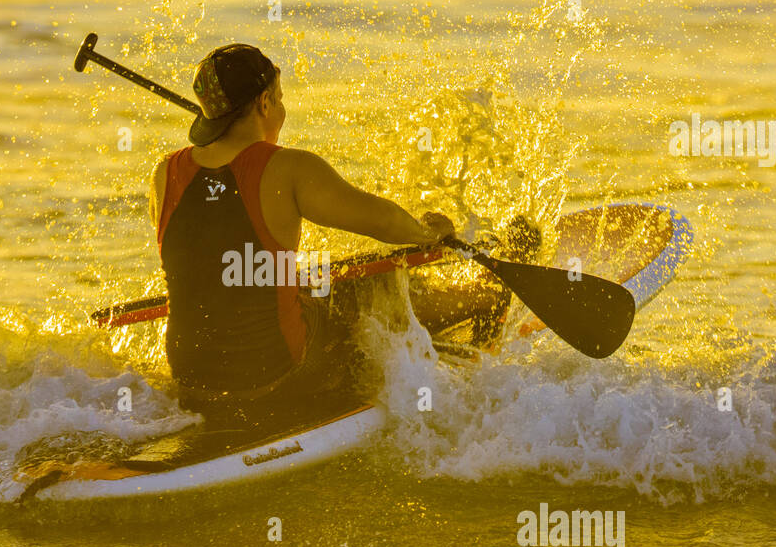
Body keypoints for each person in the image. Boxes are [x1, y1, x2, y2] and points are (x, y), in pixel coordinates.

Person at [149, 43, 527, 414]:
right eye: (278, 99)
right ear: (264, 104)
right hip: (275, 377)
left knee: (316, 290)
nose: (282, 109)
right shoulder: (288, 169)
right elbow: (383, 222)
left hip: (190, 381)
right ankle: (485, 297)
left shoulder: (164, 174)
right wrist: (429, 232)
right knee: (371, 289)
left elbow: (211, 251)